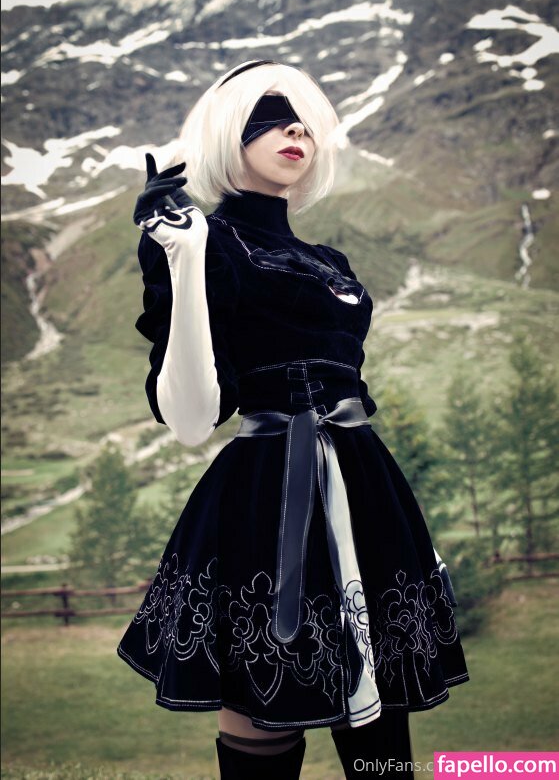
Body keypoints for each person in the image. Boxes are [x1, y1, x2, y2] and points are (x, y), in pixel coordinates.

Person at [116, 59, 470, 780]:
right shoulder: (203, 241)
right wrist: (185, 260)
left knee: (381, 695)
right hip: (267, 493)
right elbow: (192, 418)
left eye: (305, 123)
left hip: (365, 484)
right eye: (271, 119)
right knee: (261, 695)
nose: (296, 132)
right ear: (229, 134)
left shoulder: (330, 261)